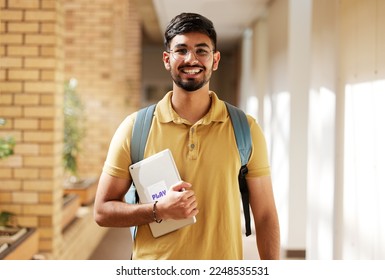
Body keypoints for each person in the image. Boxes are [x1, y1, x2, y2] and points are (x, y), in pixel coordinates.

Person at [94, 12, 280, 260]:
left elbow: (265, 214)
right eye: (181, 50)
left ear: (215, 60)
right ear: (166, 59)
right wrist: (159, 210)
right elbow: (102, 211)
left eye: (201, 51)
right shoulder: (134, 128)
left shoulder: (245, 128)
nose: (191, 59)